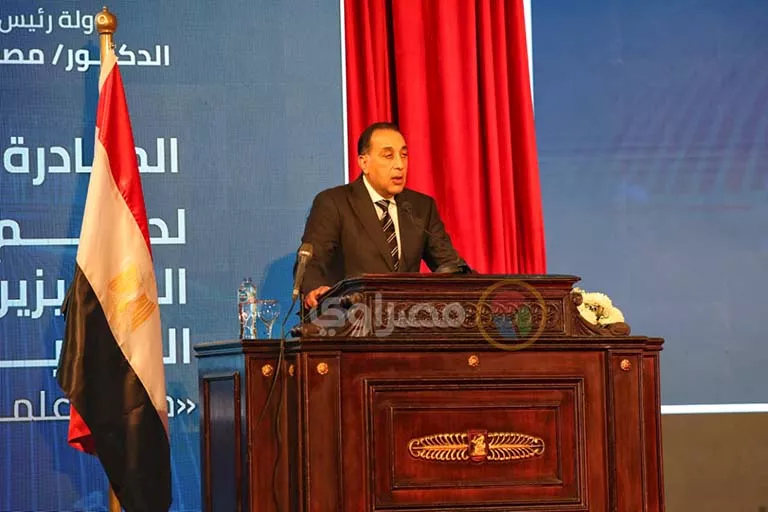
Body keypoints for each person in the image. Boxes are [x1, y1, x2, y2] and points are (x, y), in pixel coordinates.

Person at [299, 122, 468, 308]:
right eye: (388, 156)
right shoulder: (334, 203)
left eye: (404, 155)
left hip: (407, 318)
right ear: (364, 163)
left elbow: (448, 263)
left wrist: (480, 291)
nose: (399, 165)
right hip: (351, 315)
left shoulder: (421, 207)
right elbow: (313, 260)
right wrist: (315, 288)